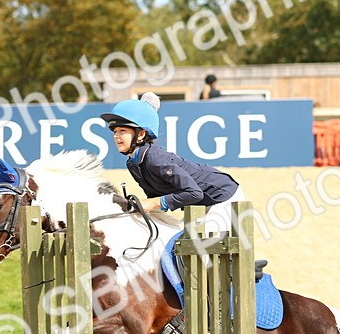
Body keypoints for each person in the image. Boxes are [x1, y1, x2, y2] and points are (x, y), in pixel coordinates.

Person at [101, 92, 244, 233]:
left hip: (223, 197)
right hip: (203, 203)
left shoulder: (155, 159)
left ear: (141, 134)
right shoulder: (133, 163)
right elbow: (153, 197)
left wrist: (154, 203)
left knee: (188, 242)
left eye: (122, 130)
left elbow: (194, 193)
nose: (116, 136)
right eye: (115, 131)